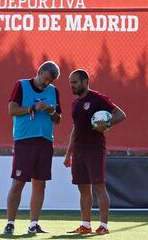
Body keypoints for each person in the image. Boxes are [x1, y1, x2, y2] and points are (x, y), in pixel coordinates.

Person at [64, 69, 126, 235]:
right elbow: (75, 129)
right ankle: (85, 225)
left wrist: (107, 124)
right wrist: (68, 152)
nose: (72, 86)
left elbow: (121, 115)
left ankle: (104, 226)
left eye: (75, 82)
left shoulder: (97, 98)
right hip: (78, 151)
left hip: (94, 149)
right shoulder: (75, 104)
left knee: (99, 187)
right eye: (70, 83)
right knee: (83, 188)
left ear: (85, 82)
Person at [4, 61, 62, 234]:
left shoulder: (53, 91)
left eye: (50, 82)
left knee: (40, 184)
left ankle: (33, 224)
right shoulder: (21, 85)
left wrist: (51, 111)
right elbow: (11, 110)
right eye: (45, 79)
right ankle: (10, 223)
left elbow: (58, 119)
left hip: (45, 141)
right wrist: (32, 108)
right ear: (39, 71)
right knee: (19, 182)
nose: (46, 84)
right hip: (25, 140)